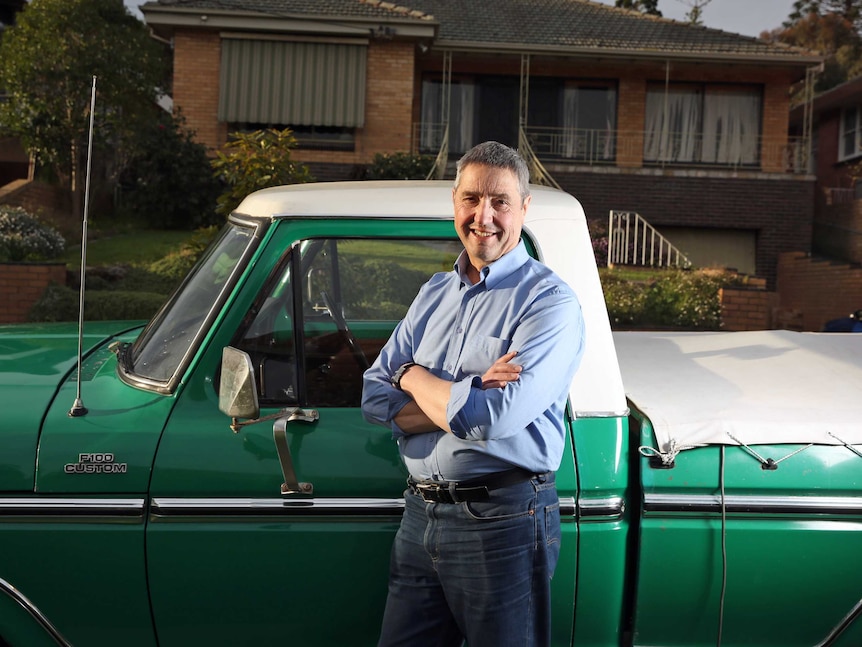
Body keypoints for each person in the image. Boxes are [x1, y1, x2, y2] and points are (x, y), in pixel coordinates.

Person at [361, 141, 585, 647]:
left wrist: (412, 375)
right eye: (470, 199)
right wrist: (466, 393)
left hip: (502, 520)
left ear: (524, 208)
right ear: (455, 202)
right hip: (420, 516)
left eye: (500, 202)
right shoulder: (433, 294)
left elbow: (489, 421)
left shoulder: (549, 303)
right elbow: (373, 398)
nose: (483, 216)